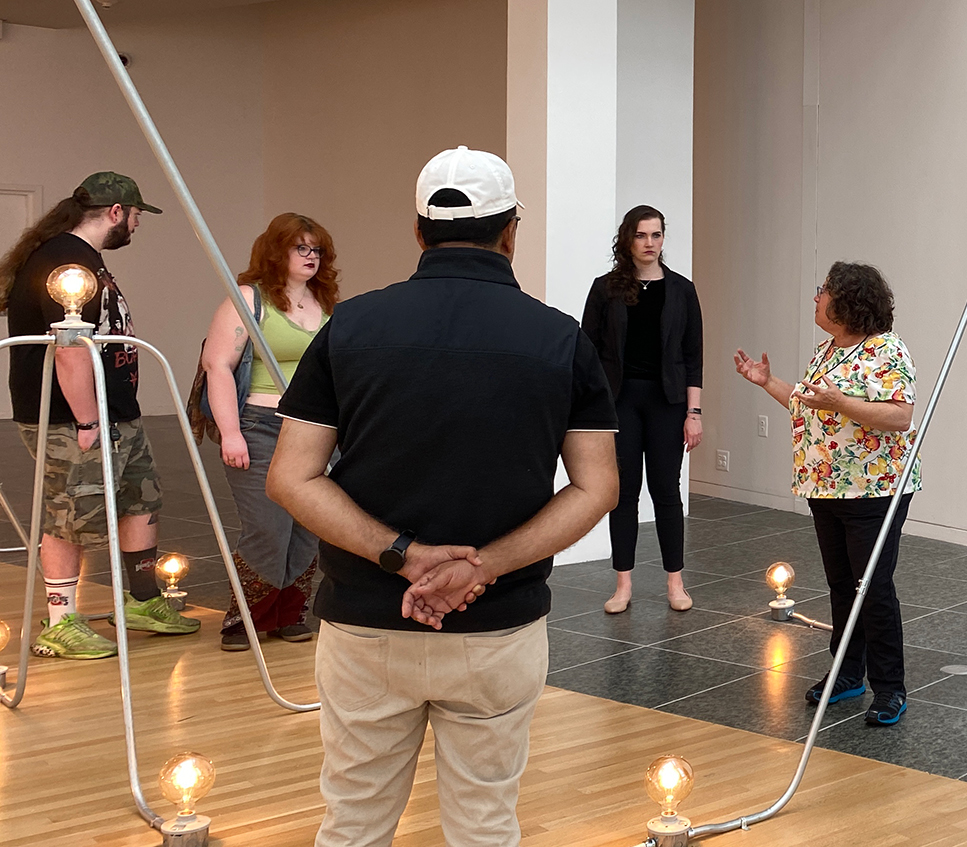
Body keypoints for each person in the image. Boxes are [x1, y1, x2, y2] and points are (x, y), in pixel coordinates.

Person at [267, 146, 618, 846]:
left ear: (419, 230)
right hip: (497, 628)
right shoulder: (559, 340)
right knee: (485, 825)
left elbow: (291, 476)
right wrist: (479, 566)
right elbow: (597, 485)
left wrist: (404, 555)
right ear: (511, 229)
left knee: (354, 823)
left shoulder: (353, 327)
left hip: (367, 621)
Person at [0, 171, 198, 660]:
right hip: (72, 418)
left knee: (139, 498)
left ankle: (142, 599)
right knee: (70, 509)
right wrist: (88, 420)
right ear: (117, 213)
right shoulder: (64, 263)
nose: (136, 226)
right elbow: (69, 350)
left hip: (115, 412)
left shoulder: (84, 259)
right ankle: (61, 621)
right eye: (135, 216)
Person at [732, 261, 919, 727]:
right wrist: (767, 382)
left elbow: (901, 417)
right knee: (841, 585)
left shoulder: (887, 351)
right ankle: (847, 672)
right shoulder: (826, 349)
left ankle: (890, 688)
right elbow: (808, 405)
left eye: (823, 290)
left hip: (873, 489)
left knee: (872, 588)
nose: (815, 297)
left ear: (847, 301)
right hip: (826, 485)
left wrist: (842, 403)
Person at [198, 213, 338, 651]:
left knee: (307, 525)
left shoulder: (324, 303)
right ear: (278, 251)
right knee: (267, 525)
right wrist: (231, 432)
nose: (311, 256)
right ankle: (244, 619)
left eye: (317, 249)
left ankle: (289, 612)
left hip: (312, 430)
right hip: (259, 425)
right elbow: (217, 365)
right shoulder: (248, 300)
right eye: (302, 248)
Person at [581, 204, 703, 614]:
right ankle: (623, 585)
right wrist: (592, 410)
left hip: (668, 403)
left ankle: (675, 583)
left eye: (656, 235)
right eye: (641, 235)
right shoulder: (605, 289)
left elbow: (693, 356)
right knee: (624, 493)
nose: (650, 243)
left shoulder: (682, 290)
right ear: (627, 239)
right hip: (620, 404)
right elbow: (589, 352)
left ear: (663, 239)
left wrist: (694, 413)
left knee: (667, 491)